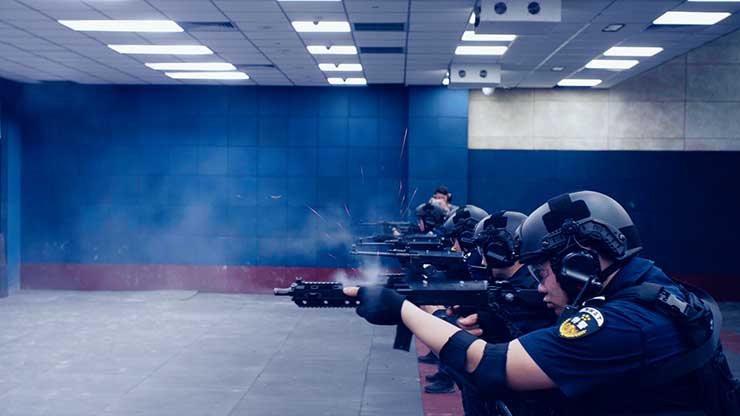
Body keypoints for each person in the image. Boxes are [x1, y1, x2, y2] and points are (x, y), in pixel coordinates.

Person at [346, 191, 738, 415]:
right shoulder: (655, 291)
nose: (540, 287)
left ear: (580, 265)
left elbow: (491, 369)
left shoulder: (623, 322)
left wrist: (402, 309)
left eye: (543, 272)